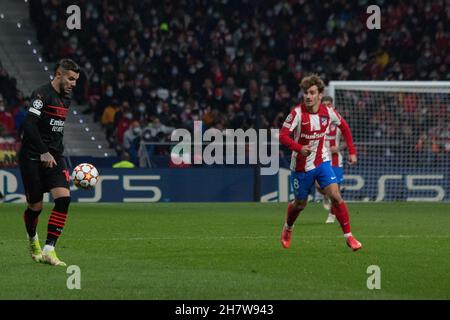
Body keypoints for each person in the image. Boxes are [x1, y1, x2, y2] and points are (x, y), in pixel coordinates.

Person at [279, 74, 362, 251]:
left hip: (322, 161)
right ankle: (288, 227)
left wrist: (352, 151)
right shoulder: (297, 114)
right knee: (300, 203)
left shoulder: (328, 112)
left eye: (312, 93)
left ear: (320, 95)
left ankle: (349, 236)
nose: (308, 96)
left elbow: (345, 127)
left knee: (335, 195)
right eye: (305, 93)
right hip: (301, 165)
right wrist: (299, 147)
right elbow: (282, 136)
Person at [18, 59, 80, 266]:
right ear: (59, 74)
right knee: (35, 208)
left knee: (63, 198)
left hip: (55, 156)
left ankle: (49, 250)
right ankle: (32, 240)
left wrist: (53, 153)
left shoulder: (66, 99)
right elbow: (29, 124)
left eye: (76, 80)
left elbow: (55, 130)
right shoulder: (41, 94)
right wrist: (43, 151)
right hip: (32, 156)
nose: (73, 83)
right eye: (71, 79)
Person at [319, 96, 348, 224]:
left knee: (336, 191)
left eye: (329, 104)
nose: (327, 107)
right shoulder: (317, 121)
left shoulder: (338, 123)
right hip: (320, 158)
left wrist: (338, 148)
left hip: (336, 160)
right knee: (319, 186)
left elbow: (347, 141)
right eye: (324, 104)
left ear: (333, 106)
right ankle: (325, 195)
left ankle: (331, 215)